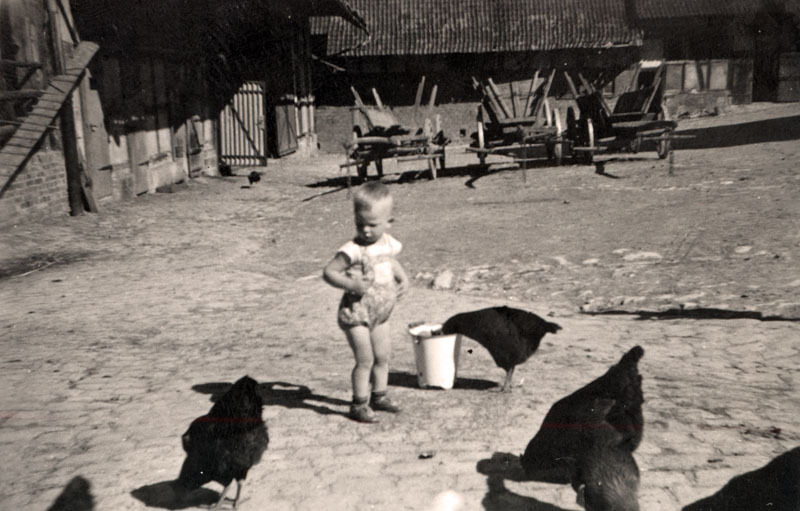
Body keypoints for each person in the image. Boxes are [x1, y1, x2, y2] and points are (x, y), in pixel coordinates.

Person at [323, 181, 409, 423]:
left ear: (388, 222)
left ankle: (378, 396)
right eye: (360, 224)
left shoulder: (388, 244)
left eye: (372, 225)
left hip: (381, 313)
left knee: (383, 356)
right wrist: (351, 285)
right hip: (357, 313)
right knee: (365, 360)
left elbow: (391, 261)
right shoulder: (352, 250)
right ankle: (358, 404)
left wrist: (403, 278)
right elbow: (329, 272)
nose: (366, 230)